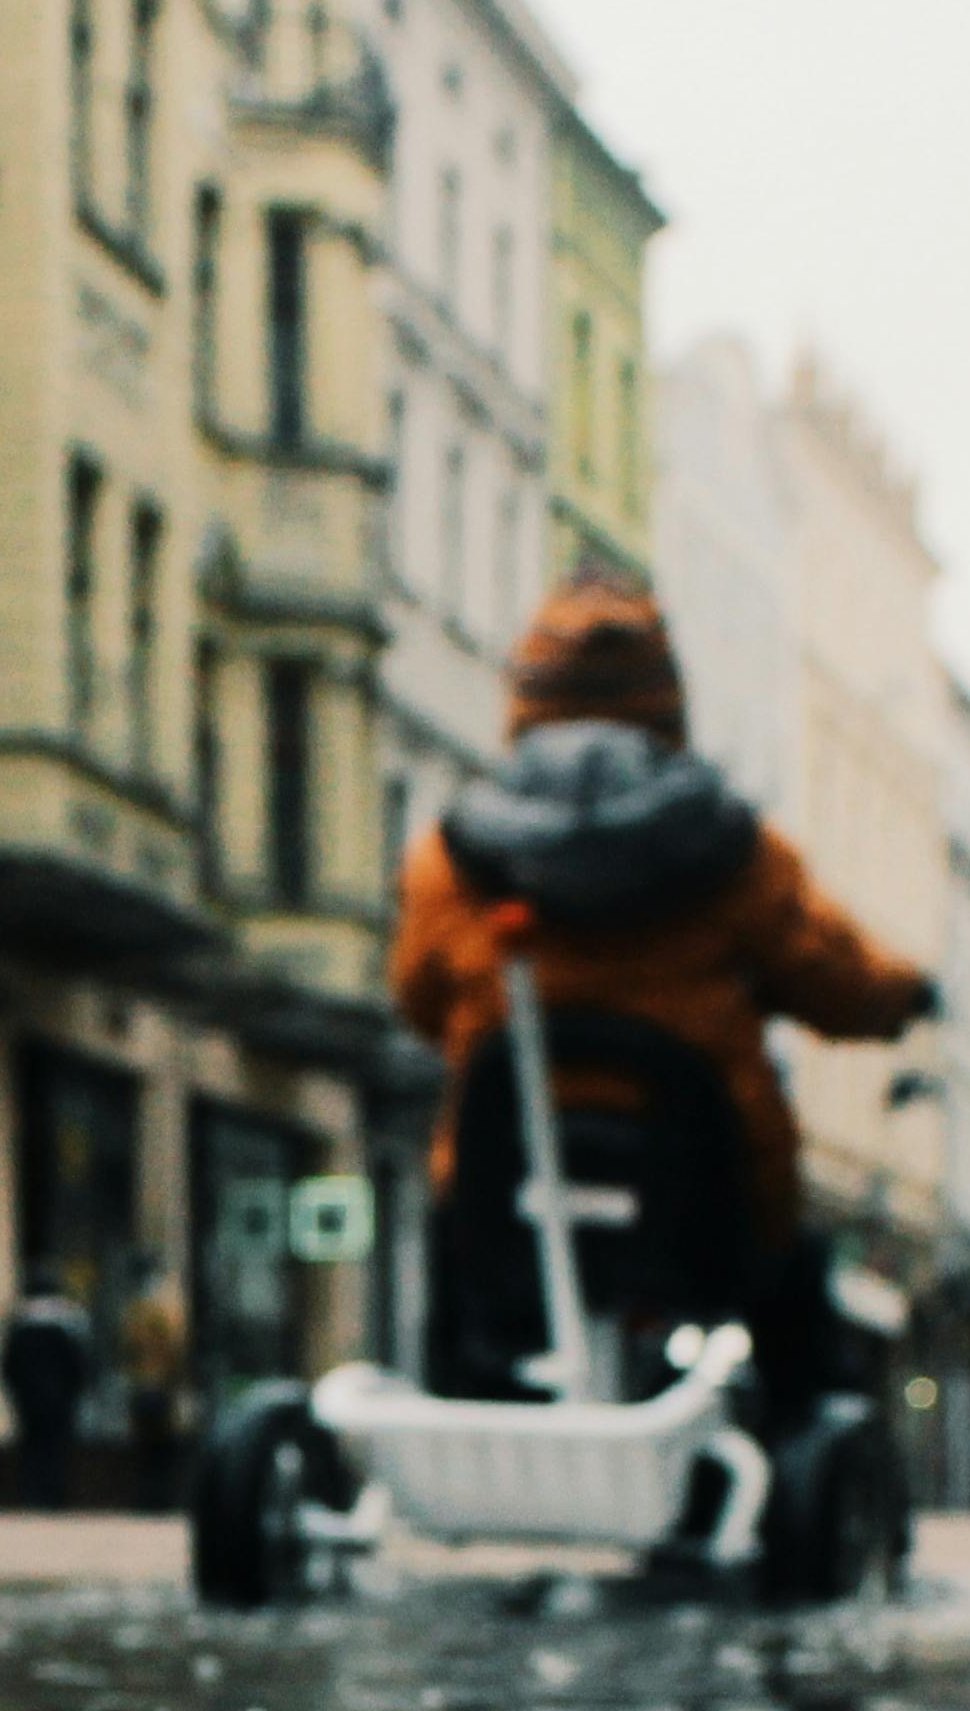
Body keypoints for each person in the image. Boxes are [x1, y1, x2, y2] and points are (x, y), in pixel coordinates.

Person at [393, 580, 933, 1405]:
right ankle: (799, 1429)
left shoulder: (452, 856)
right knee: (795, 1291)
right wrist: (906, 996)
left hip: (507, 1185)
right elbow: (837, 981)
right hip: (706, 1193)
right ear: (666, 704)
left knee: (455, 1248)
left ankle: (461, 1397)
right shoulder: (738, 854)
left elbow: (418, 996)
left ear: (525, 701)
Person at [0, 1273, 100, 1507]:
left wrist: (16, 1393)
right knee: (56, 1447)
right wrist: (74, 1392)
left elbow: (7, 1366)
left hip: (28, 1399)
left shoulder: (18, 1325)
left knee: (31, 1446)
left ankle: (30, 1494)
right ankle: (54, 1494)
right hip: (59, 1399)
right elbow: (79, 1365)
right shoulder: (69, 1323)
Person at [119, 1261, 193, 1503]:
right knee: (161, 1451)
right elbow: (177, 1351)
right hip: (160, 1387)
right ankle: (160, 1497)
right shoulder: (169, 1312)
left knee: (147, 1451)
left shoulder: (135, 1313)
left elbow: (126, 1349)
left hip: (143, 1386)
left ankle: (148, 1496)